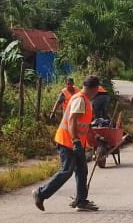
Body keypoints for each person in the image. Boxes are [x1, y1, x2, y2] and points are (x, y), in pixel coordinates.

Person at [33, 76, 102, 212]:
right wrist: (76, 141)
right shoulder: (80, 100)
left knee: (82, 171)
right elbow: (72, 121)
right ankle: (40, 193)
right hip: (67, 141)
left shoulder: (86, 101)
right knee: (67, 171)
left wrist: (96, 136)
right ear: (94, 89)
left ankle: (81, 201)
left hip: (76, 143)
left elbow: (85, 125)